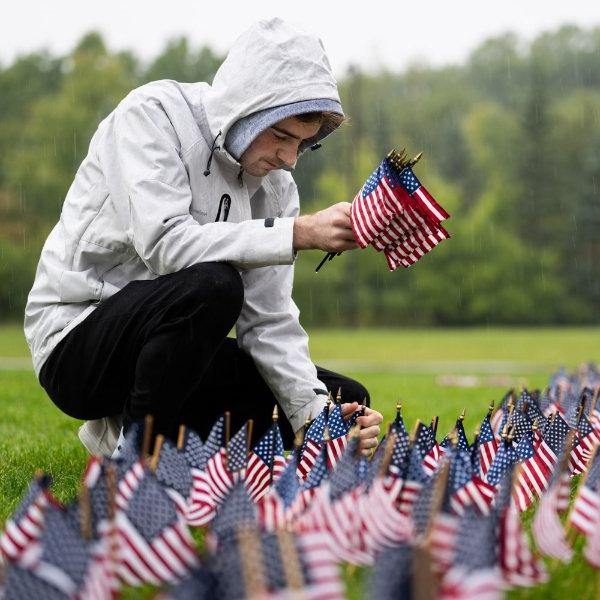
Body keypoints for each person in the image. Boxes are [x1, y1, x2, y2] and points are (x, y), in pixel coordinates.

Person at [24, 18, 382, 456]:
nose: (290, 159)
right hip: (76, 344)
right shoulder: (151, 116)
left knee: (345, 400)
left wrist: (315, 417)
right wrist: (297, 232)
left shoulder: (277, 188)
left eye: (304, 144)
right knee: (214, 285)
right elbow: (166, 245)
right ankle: (133, 468)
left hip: (170, 356)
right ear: (247, 110)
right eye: (281, 136)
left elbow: (269, 321)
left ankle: (182, 448)